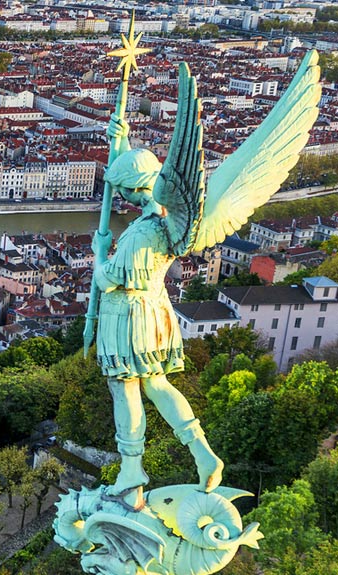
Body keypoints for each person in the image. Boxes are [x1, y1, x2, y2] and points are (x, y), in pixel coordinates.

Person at [89, 117, 222, 503]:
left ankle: (131, 471)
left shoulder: (143, 232)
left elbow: (107, 279)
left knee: (125, 388)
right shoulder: (164, 219)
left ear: (134, 189)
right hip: (154, 310)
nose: (123, 200)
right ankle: (203, 453)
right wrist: (123, 141)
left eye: (124, 191)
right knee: (158, 384)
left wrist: (99, 254)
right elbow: (140, 177)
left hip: (127, 315)